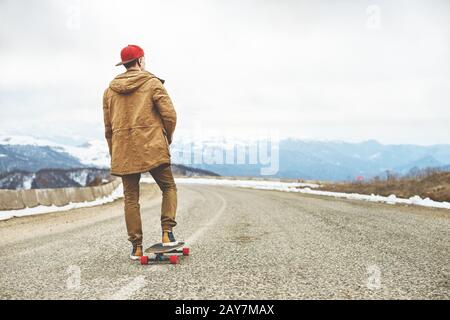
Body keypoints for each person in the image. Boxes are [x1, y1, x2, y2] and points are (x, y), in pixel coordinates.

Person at [103, 45, 178, 260]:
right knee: (168, 187)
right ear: (141, 60)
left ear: (124, 64)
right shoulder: (152, 83)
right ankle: (167, 233)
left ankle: (136, 247)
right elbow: (170, 115)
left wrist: (115, 152)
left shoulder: (109, 91)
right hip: (152, 146)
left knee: (131, 198)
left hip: (123, 150)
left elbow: (108, 129)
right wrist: (166, 138)